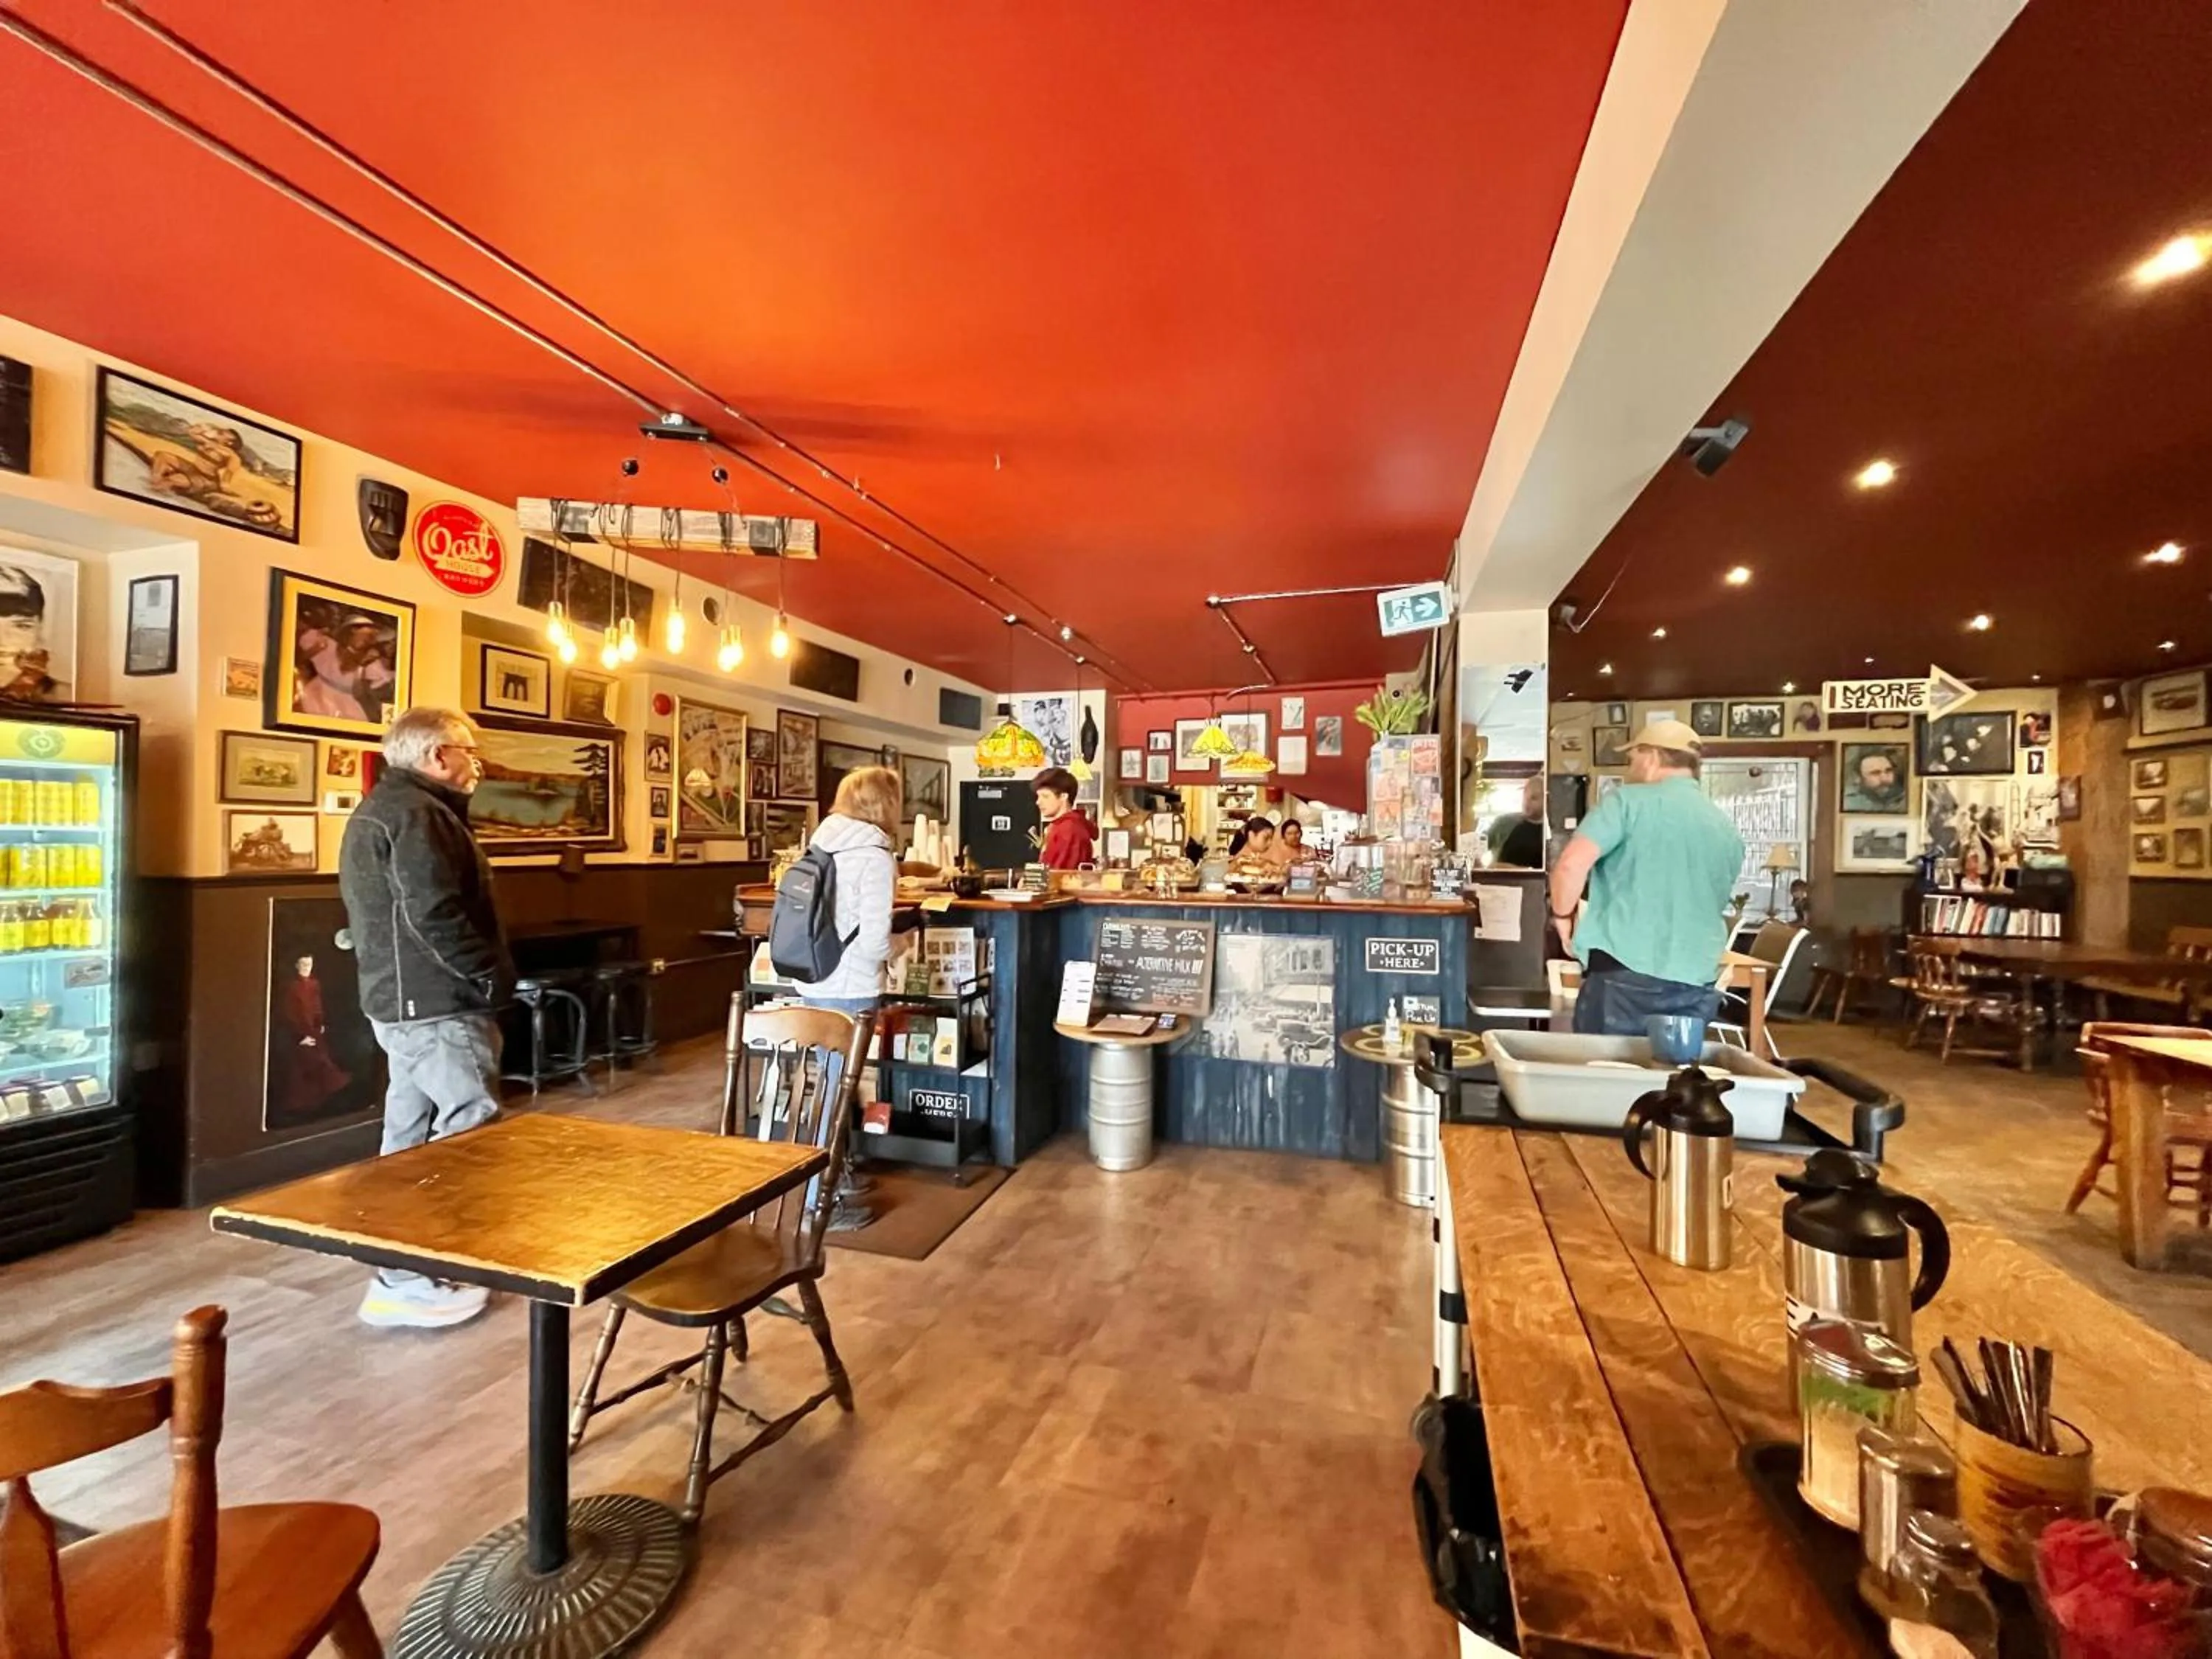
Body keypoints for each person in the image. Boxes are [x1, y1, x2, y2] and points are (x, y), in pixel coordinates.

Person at [339, 706, 512, 1330]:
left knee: (406, 1138)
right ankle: (419, 1269)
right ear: (438, 756)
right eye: (469, 749)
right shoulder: (417, 814)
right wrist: (486, 976)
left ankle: (400, 1266)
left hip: (401, 1001)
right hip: (436, 1003)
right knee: (473, 1130)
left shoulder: (389, 807)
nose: (477, 761)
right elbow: (433, 914)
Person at [1547, 719, 1744, 1037]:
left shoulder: (1626, 803)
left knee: (1606, 1075)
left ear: (1651, 757)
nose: (1631, 767)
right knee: (1671, 1079)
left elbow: (1571, 865)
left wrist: (1562, 916)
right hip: (1697, 977)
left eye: (1633, 757)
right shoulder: (1723, 825)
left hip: (1623, 972)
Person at [791, 765, 900, 1016]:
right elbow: (874, 944)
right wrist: (902, 944)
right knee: (847, 1056)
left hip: (812, 975)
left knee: (828, 1055)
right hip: (852, 983)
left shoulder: (818, 848)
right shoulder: (874, 858)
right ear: (886, 803)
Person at [1033, 766, 1095, 869]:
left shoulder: (1068, 829)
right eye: (1038, 796)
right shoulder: (1064, 826)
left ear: (1063, 797)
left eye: (1045, 796)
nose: (1038, 802)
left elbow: (1059, 873)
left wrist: (1032, 882)